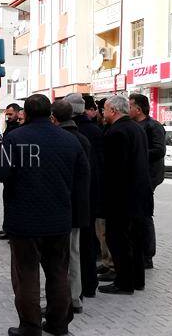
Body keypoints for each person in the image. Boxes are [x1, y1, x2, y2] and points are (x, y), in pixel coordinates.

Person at [0, 94, 89, 336]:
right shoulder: (70, 140)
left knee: (26, 275)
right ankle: (58, 325)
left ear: (26, 112)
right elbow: (82, 178)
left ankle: (30, 326)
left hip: (23, 221)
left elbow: (0, 174)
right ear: (50, 113)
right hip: (58, 219)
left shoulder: (15, 138)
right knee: (58, 273)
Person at [99, 95, 152, 295]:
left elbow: (115, 170)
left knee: (118, 239)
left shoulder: (117, 132)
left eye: (104, 109)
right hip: (139, 194)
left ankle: (124, 282)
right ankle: (137, 280)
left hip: (122, 197)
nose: (103, 113)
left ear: (113, 110)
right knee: (135, 240)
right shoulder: (136, 128)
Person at [51, 99, 92, 314]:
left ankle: (63, 298)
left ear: (54, 118)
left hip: (61, 207)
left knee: (59, 256)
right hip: (79, 205)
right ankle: (75, 297)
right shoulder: (83, 139)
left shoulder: (58, 140)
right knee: (74, 251)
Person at [68, 94, 105, 295]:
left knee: (76, 243)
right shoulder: (94, 130)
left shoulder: (75, 134)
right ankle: (90, 283)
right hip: (91, 192)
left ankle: (81, 286)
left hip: (77, 194)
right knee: (88, 239)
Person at [129, 93, 166, 269]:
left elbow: (159, 150)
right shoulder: (132, 125)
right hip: (134, 176)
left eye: (130, 106)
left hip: (148, 177)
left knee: (144, 216)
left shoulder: (153, 126)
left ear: (138, 108)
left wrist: (137, 153)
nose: (128, 109)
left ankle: (147, 255)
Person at [0, 103, 23, 240]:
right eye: (7, 114)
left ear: (18, 113)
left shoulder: (17, 129)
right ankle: (6, 228)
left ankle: (10, 230)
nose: (8, 117)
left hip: (13, 171)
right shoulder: (9, 127)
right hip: (8, 170)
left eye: (10, 114)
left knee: (11, 201)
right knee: (6, 200)